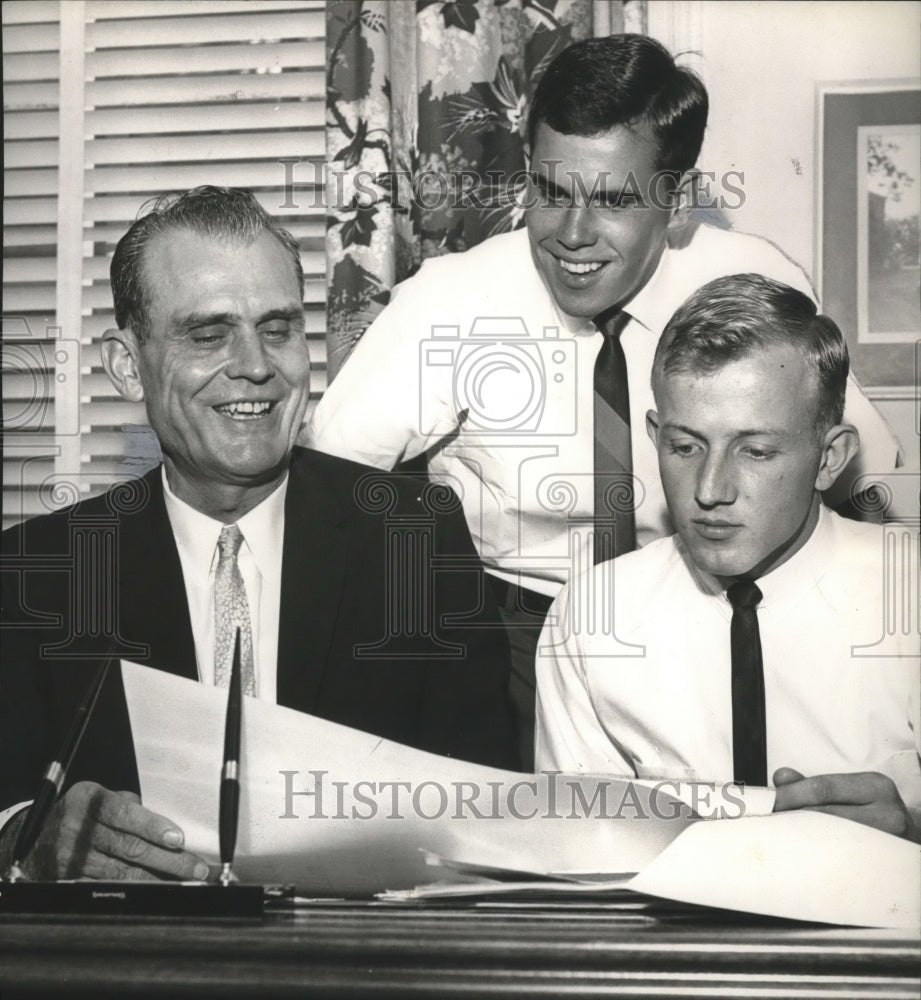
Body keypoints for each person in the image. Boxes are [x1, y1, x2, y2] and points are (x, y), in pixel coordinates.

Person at [306, 35, 901, 768]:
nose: (572, 236)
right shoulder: (446, 303)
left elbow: (861, 485)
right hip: (509, 644)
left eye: (614, 200)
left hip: (713, 622)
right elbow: (320, 497)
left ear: (677, 202)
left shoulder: (749, 277)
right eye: (552, 193)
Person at [0, 186, 518, 882]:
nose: (255, 366)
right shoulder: (39, 572)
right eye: (208, 334)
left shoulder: (414, 543)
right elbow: (9, 809)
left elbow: (490, 819)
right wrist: (28, 845)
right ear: (127, 366)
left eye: (276, 329)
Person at [534, 274, 920, 841]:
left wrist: (912, 835)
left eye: (757, 451)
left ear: (831, 459)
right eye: (684, 446)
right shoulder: (588, 618)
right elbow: (572, 859)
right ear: (653, 435)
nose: (710, 489)